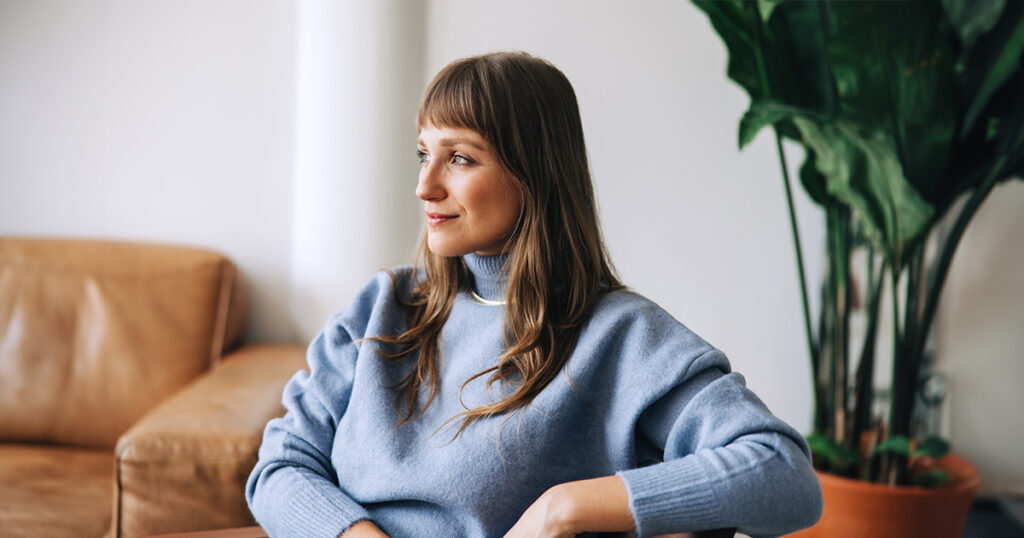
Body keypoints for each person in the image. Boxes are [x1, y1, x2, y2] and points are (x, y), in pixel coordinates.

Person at [246, 51, 822, 538]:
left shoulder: (619, 335)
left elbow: (783, 471)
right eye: (425, 152)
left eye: (460, 158)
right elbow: (279, 466)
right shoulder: (385, 305)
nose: (425, 185)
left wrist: (565, 507)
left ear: (534, 175)